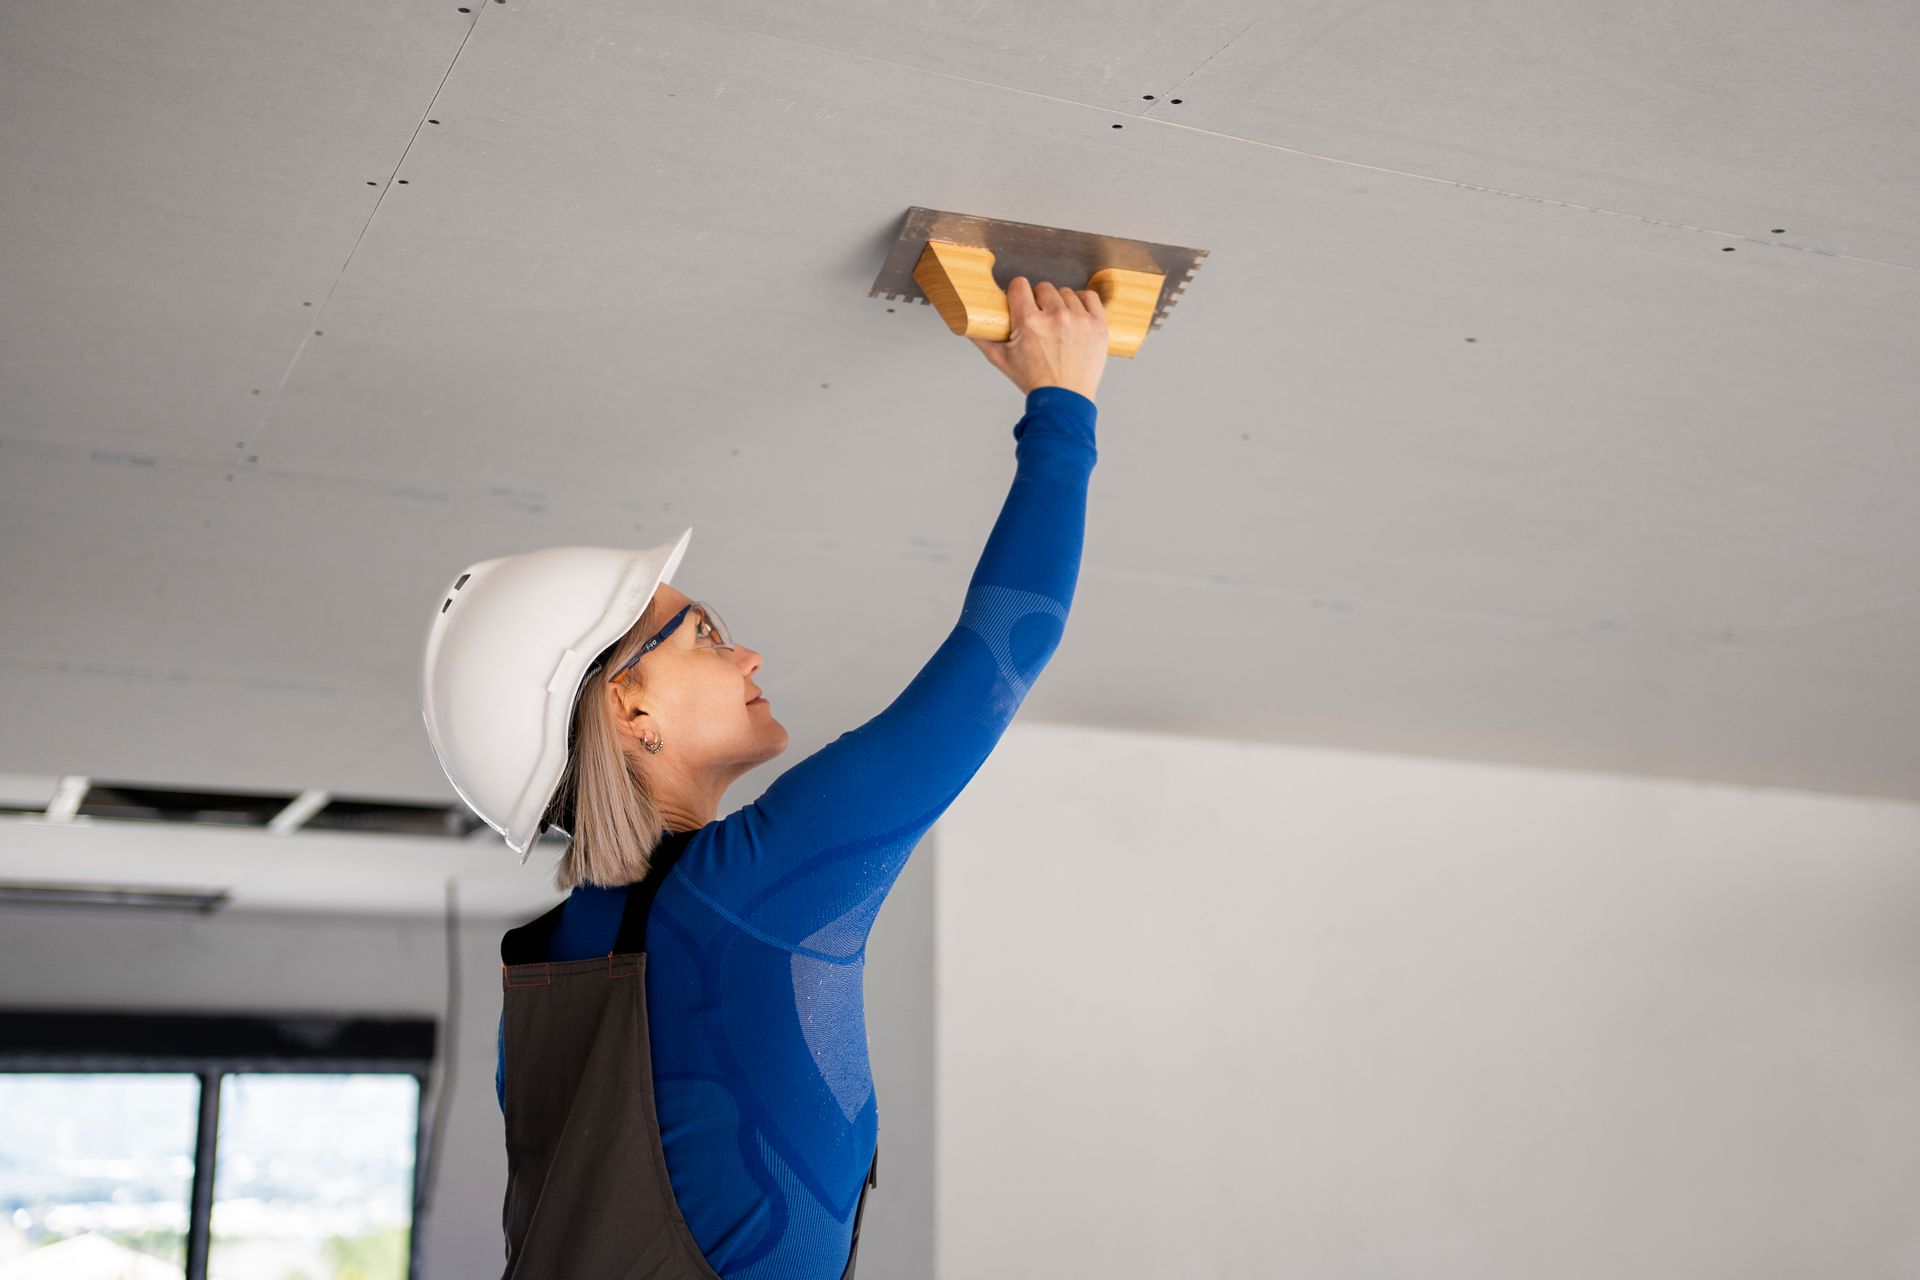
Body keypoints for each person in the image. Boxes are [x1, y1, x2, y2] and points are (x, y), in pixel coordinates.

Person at [421, 277, 1109, 1279]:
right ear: (630, 710)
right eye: (702, 634)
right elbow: (999, 653)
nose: (745, 656)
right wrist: (1062, 402)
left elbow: (1004, 653)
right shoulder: (736, 897)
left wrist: (1065, 406)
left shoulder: (551, 967)